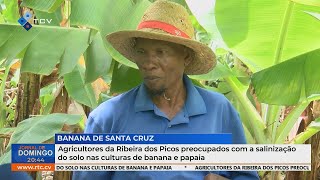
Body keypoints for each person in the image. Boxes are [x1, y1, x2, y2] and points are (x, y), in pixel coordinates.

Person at [73, 0, 259, 179]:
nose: (148, 63)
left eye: (160, 52)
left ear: (185, 56)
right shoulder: (107, 119)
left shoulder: (219, 111)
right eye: (141, 52)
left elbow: (246, 175)